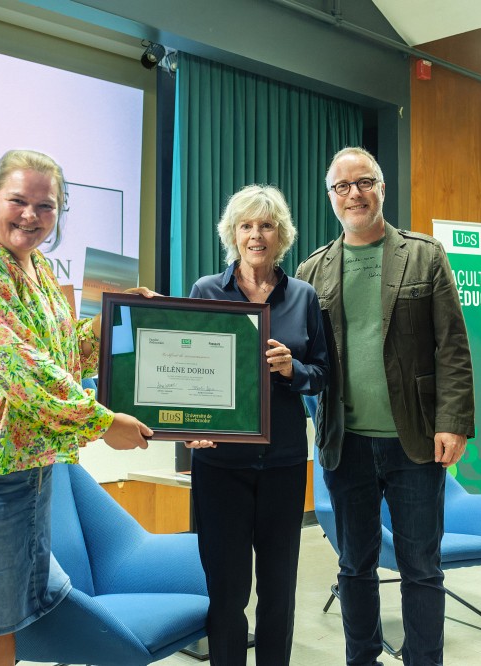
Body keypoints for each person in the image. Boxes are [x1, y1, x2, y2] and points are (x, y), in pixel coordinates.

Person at [0, 149, 154, 666]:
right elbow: (25, 372)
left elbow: (56, 355)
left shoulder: (35, 268)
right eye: (18, 201)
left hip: (22, 471)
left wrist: (111, 323)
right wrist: (104, 423)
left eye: (46, 206)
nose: (31, 216)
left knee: (6, 623)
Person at [295, 147, 475, 666]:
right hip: (344, 443)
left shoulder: (425, 254)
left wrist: (454, 423)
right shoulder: (313, 270)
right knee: (355, 567)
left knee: (421, 567)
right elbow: (305, 360)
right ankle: (363, 659)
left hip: (415, 441)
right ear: (330, 197)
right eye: (342, 186)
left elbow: (452, 347)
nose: (354, 193)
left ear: (381, 187)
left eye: (363, 182)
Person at [185, 184, 329, 666]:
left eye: (266, 225)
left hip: (284, 463)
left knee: (279, 590)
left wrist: (294, 370)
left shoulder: (304, 297)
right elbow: (187, 377)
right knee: (226, 593)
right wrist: (188, 426)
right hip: (219, 463)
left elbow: (323, 375)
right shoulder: (206, 291)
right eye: (246, 225)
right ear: (232, 233)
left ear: (281, 234)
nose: (256, 234)